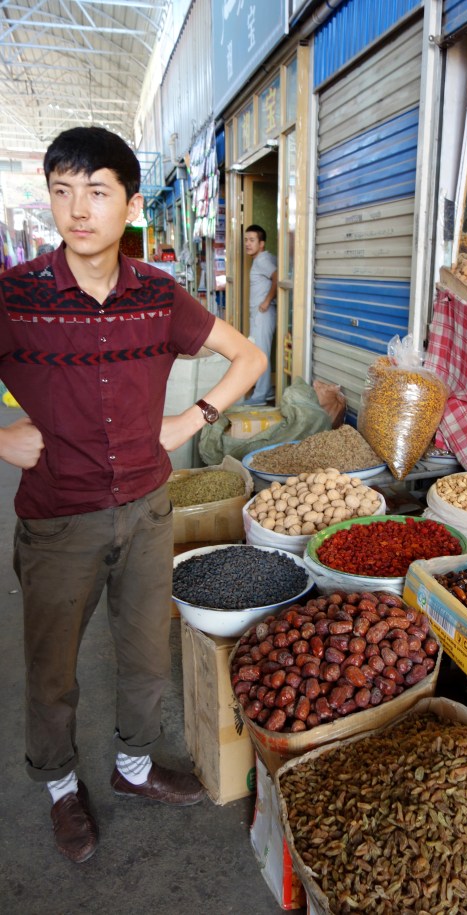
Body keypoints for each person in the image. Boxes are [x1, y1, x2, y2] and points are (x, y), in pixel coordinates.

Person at [0, 126, 266, 864]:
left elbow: (249, 355)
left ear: (131, 203)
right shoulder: (16, 296)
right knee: (52, 670)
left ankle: (135, 766)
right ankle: (58, 785)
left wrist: (192, 417)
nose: (77, 209)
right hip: (58, 520)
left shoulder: (158, 294)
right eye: (62, 190)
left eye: (96, 190)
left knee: (147, 653)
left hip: (150, 508)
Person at [243, 224, 277, 405]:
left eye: (252, 240)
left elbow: (278, 277)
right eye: (246, 240)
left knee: (260, 355)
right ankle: (267, 391)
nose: (247, 244)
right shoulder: (262, 259)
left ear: (261, 243)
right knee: (260, 352)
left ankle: (260, 396)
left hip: (263, 314)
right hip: (260, 314)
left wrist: (266, 301)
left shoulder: (263, 260)